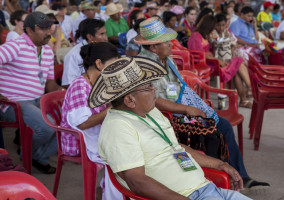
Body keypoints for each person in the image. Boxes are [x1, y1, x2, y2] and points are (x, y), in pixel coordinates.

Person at [88, 56, 251, 200]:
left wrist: (219, 164)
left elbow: (176, 147)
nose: (154, 90)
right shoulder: (118, 127)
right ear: (130, 100)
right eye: (148, 87)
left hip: (205, 189)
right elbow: (136, 181)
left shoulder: (149, 111)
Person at [135, 17, 270, 189]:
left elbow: (178, 86)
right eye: (167, 42)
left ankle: (236, 176)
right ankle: (215, 180)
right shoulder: (144, 66)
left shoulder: (166, 59)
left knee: (222, 126)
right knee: (213, 132)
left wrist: (194, 104)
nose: (171, 44)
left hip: (180, 108)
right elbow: (153, 101)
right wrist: (187, 108)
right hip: (167, 116)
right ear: (154, 47)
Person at [0, 12, 65, 174]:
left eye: (48, 27)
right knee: (47, 126)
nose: (48, 32)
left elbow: (49, 82)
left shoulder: (48, 52)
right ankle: (28, 153)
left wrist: (59, 91)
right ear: (29, 30)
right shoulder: (16, 46)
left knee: (70, 123)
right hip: (14, 103)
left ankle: (37, 156)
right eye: (42, 28)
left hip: (38, 100)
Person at [61, 42, 122, 200]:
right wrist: (112, 107)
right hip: (79, 141)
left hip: (93, 134)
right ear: (99, 64)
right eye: (113, 64)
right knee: (121, 154)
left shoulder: (99, 82)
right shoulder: (80, 86)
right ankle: (110, 193)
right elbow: (82, 124)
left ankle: (110, 190)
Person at [210, 14, 252, 108]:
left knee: (238, 65)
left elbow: (232, 45)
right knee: (239, 63)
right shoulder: (212, 33)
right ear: (214, 24)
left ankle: (245, 97)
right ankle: (248, 92)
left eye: (223, 25)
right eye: (218, 25)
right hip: (218, 61)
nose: (221, 28)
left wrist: (230, 56)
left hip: (228, 59)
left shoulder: (226, 32)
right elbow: (216, 43)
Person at [62, 18, 108, 88]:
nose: (106, 38)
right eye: (102, 34)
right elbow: (68, 83)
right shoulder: (74, 55)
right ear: (90, 37)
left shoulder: (104, 49)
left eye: (105, 33)